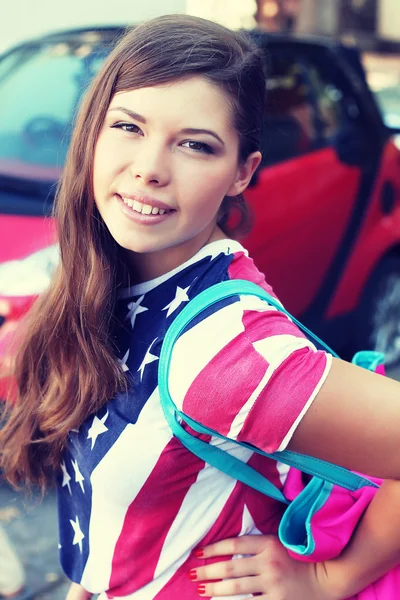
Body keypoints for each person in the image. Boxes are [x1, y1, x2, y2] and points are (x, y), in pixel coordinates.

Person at [2, 14, 400, 600]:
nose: (150, 169)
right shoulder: (113, 275)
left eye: (195, 144)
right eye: (129, 126)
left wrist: (330, 578)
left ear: (243, 173)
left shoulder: (227, 354)